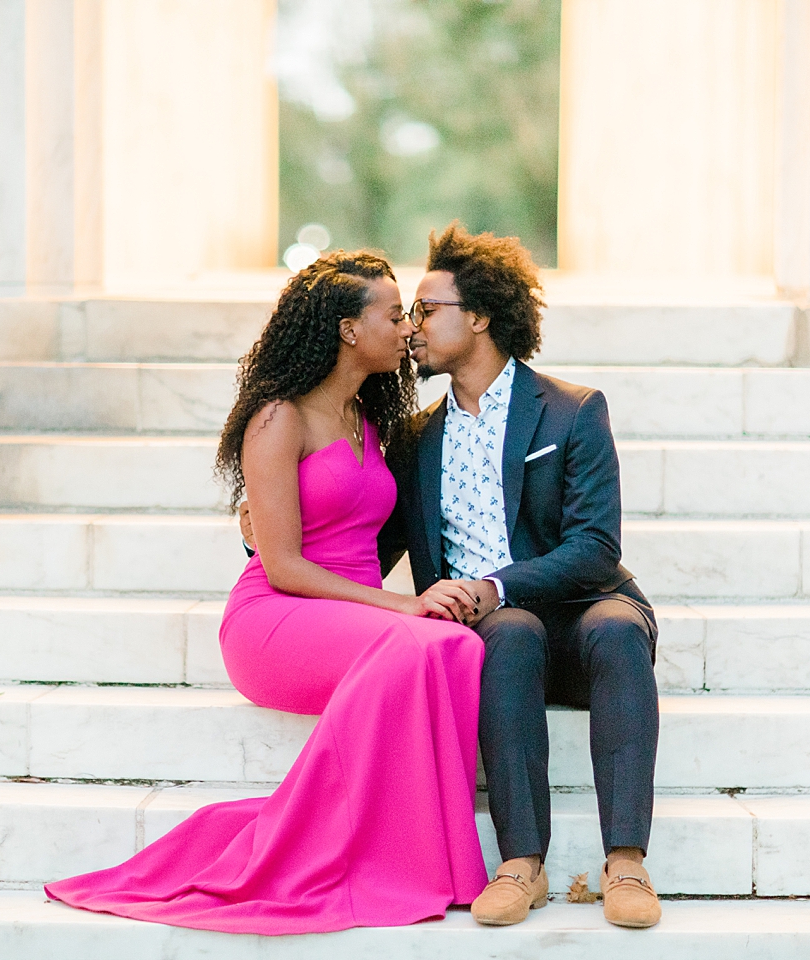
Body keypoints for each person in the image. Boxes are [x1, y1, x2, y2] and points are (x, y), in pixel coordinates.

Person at [45, 250, 491, 934]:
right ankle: (350, 852)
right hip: (276, 620)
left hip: (347, 616)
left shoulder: (372, 424)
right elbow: (281, 564)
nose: (407, 328)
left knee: (453, 648)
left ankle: (431, 859)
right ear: (348, 329)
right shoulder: (278, 418)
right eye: (394, 314)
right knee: (416, 642)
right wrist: (405, 603)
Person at [242, 222, 663, 929]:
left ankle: (627, 861)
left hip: (583, 602)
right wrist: (267, 540)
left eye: (428, 310)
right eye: (406, 313)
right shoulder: (413, 438)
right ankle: (520, 863)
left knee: (617, 632)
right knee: (510, 636)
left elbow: (595, 543)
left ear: (480, 318)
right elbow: (363, 553)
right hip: (498, 633)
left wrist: (496, 584)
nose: (411, 329)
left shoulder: (572, 409)